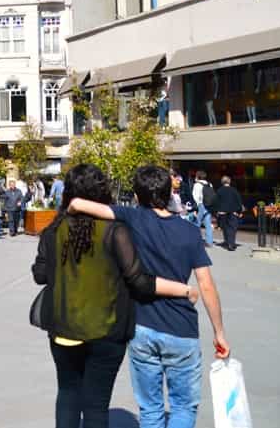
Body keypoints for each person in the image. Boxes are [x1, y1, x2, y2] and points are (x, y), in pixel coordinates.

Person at [33, 164, 198, 428]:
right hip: (106, 331)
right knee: (96, 404)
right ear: (102, 192)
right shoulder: (114, 230)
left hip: (63, 327)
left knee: (67, 393)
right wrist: (182, 289)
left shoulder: (54, 230)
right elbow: (139, 282)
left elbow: (40, 275)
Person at [68, 165, 230, 428]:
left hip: (142, 326)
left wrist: (71, 207)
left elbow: (81, 204)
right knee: (183, 406)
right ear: (169, 193)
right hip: (182, 330)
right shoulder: (189, 232)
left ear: (137, 194)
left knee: (150, 408)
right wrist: (219, 332)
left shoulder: (133, 218)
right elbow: (206, 285)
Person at [214, 175, 244, 251]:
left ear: (222, 182)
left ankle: (227, 241)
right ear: (229, 182)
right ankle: (231, 244)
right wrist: (239, 211)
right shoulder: (234, 190)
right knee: (232, 228)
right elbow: (239, 201)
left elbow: (216, 202)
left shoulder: (219, 190)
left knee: (225, 228)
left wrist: (216, 211)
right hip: (232, 212)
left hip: (222, 212)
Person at [190, 170, 215, 247]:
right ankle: (209, 242)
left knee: (196, 223)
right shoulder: (209, 184)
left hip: (200, 205)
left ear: (198, 176)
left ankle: (195, 241)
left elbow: (195, 197)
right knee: (208, 224)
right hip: (208, 205)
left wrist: (195, 208)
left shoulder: (197, 185)